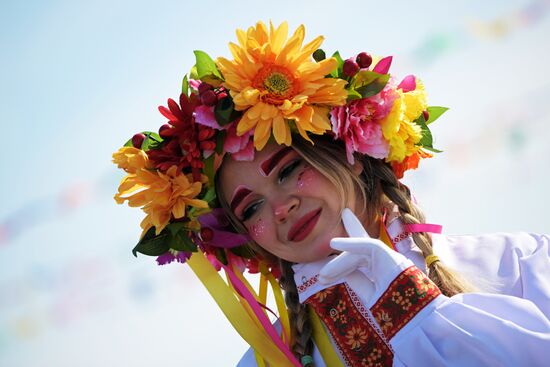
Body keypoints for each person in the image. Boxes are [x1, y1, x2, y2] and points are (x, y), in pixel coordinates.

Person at [112, 21, 550, 366]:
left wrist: (415, 305)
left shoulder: (521, 261)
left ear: (351, 151)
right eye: (252, 206)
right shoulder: (268, 363)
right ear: (247, 238)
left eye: (287, 171)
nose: (281, 207)